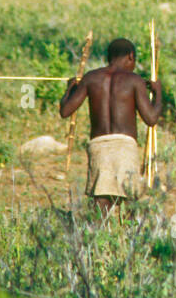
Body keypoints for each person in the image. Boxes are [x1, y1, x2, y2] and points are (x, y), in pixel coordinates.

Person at [59, 37, 163, 214]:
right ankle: (129, 241)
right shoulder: (134, 80)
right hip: (125, 147)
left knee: (101, 206)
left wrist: (70, 88)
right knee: (131, 205)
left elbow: (65, 111)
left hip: (99, 147)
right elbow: (151, 119)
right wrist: (158, 92)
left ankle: (95, 241)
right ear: (131, 56)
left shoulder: (91, 78)